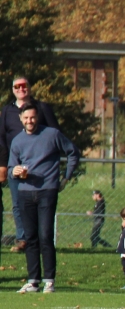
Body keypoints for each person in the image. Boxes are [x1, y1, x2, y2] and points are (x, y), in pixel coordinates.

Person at [8, 102, 80, 293]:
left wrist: (66, 178)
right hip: (25, 192)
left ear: (37, 117)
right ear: (20, 119)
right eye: (26, 118)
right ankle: (33, 281)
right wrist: (14, 171)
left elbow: (73, 152)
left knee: (45, 235)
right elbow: (11, 168)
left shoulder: (52, 134)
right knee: (30, 237)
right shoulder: (17, 141)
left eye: (32, 117)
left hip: (47, 190)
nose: (29, 121)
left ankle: (49, 280)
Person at [0, 76, 60, 252]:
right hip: (15, 164)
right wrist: (4, 165)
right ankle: (23, 239)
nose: (21, 89)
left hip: (38, 166)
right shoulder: (7, 111)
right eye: (17, 86)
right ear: (13, 90)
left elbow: (56, 134)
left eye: (24, 85)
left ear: (30, 87)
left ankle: (40, 239)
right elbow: (1, 138)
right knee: (18, 203)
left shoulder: (41, 108)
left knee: (40, 203)